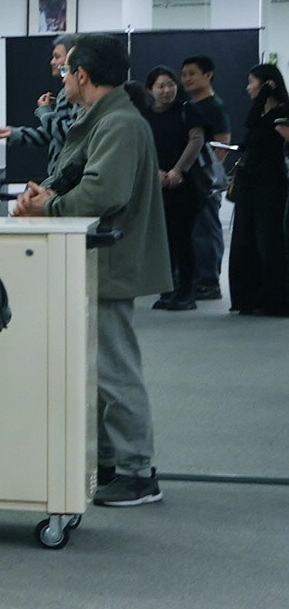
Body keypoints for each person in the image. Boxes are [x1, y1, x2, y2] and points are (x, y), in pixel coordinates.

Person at [16, 34, 169, 506]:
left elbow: (104, 193)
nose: (61, 80)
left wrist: (51, 208)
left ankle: (136, 470)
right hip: (95, 261)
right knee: (99, 369)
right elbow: (75, 175)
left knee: (115, 369)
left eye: (66, 72)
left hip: (112, 261)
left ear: (82, 76)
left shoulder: (119, 124)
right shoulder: (102, 120)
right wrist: (45, 198)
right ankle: (110, 462)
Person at [225, 64, 289, 318]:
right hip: (250, 183)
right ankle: (249, 297)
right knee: (245, 239)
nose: (247, 87)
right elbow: (250, 125)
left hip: (271, 184)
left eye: (252, 82)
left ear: (267, 84)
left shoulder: (283, 111)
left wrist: (264, 95)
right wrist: (262, 99)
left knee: (268, 240)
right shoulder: (262, 113)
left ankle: (275, 298)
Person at [143, 67, 202, 312]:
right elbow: (142, 147)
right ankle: (167, 290)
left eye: (171, 85)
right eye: (161, 86)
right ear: (150, 90)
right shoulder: (144, 116)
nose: (167, 90)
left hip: (185, 185)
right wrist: (155, 171)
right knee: (163, 241)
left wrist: (178, 171)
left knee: (183, 239)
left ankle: (187, 292)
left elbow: (196, 140)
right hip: (157, 186)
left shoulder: (187, 110)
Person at [0, 34, 78, 169]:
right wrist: (13, 133)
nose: (52, 62)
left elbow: (69, 134)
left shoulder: (77, 94)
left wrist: (45, 112)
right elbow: (50, 134)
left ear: (72, 58)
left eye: (57, 57)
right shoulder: (65, 92)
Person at [175, 56, 231, 303]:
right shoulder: (189, 106)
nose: (186, 78)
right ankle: (192, 278)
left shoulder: (213, 106)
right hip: (189, 179)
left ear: (208, 75)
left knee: (206, 229)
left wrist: (210, 176)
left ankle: (209, 281)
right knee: (192, 230)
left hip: (205, 180)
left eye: (192, 73)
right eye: (184, 74)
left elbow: (222, 143)